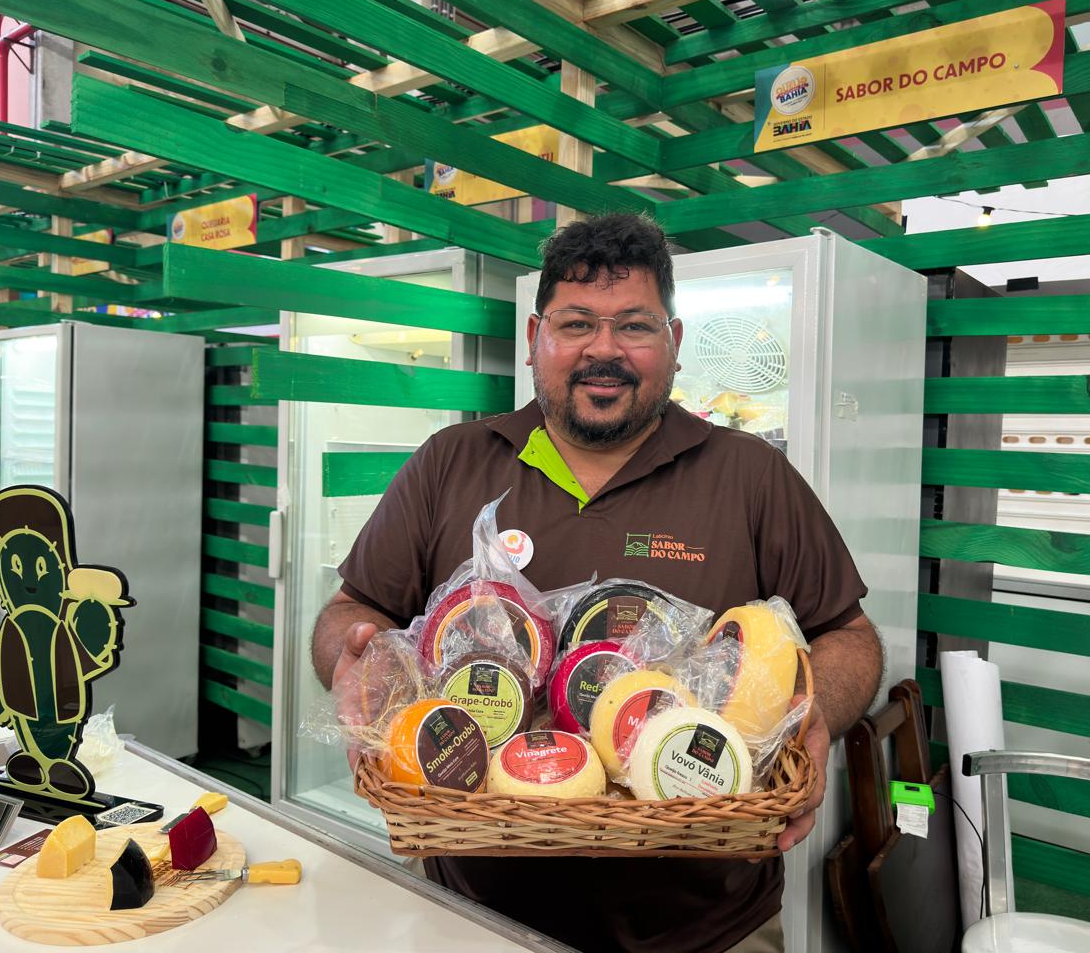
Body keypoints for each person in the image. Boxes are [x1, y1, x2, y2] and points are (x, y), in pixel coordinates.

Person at [312, 212, 883, 953]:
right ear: (535, 337)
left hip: (709, 925)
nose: (604, 350)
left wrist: (813, 716)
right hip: (470, 912)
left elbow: (849, 636)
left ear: (674, 342)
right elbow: (353, 611)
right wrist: (355, 668)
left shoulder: (750, 474)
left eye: (634, 326)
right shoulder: (451, 462)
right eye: (576, 323)